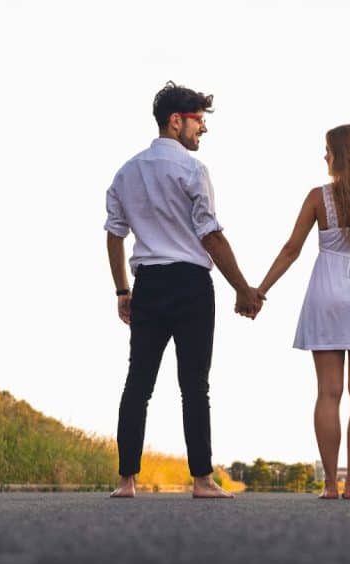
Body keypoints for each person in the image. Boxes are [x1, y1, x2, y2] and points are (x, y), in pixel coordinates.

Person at [104, 81, 263, 499]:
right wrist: (243, 289)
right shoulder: (193, 171)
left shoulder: (127, 172)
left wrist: (123, 290)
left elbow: (114, 235)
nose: (203, 130)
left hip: (149, 284)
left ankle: (126, 481)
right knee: (194, 385)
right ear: (176, 121)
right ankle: (202, 480)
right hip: (191, 284)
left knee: (138, 381)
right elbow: (210, 235)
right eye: (198, 121)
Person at [257, 124, 350, 500]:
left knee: (328, 392)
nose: (325, 156)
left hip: (326, 296)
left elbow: (291, 249)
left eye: (328, 150)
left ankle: (329, 485)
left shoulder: (318, 198)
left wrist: (260, 290)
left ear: (342, 154)